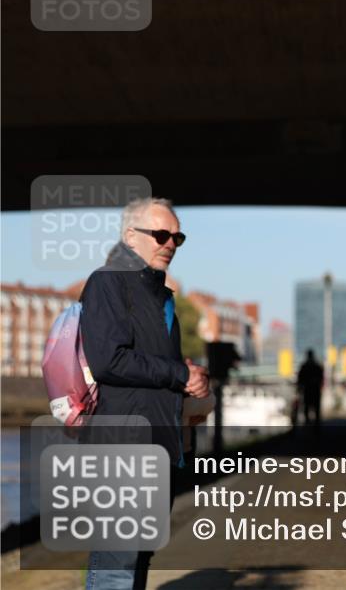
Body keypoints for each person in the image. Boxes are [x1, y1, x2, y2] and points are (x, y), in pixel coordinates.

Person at [81, 197, 210, 590]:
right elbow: (108, 361)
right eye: (160, 234)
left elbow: (158, 368)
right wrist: (176, 373)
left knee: (138, 556)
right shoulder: (107, 281)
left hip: (158, 446)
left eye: (177, 237)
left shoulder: (161, 296)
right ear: (129, 237)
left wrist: (191, 376)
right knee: (115, 563)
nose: (169, 243)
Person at [297, 349, 324, 426]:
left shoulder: (304, 366)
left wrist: (299, 389)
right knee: (316, 409)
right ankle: (316, 427)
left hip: (307, 390)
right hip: (315, 390)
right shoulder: (317, 366)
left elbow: (300, 379)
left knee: (306, 408)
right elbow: (321, 378)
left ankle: (307, 425)